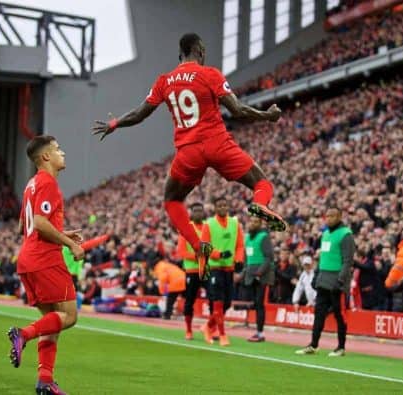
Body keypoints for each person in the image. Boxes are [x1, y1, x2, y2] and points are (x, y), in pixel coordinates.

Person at [92, 33, 286, 280]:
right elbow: (237, 111)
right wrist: (266, 116)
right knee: (261, 182)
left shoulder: (165, 81)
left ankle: (199, 247)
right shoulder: (210, 74)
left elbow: (141, 113)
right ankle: (260, 203)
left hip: (188, 151)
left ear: (179, 55)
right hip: (218, 143)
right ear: (201, 51)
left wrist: (114, 123)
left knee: (172, 200)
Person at [7, 135, 85, 395]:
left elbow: (23, 226)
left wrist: (62, 232)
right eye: (58, 149)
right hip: (45, 259)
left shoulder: (31, 184)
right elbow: (39, 223)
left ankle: (45, 381)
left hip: (28, 258)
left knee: (53, 322)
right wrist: (69, 244)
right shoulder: (48, 182)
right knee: (69, 316)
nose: (63, 153)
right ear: (46, 157)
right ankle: (23, 334)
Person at [296, 206, 355, 357]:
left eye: (332, 216)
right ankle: (313, 345)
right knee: (319, 314)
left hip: (337, 281)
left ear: (340, 216)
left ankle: (341, 347)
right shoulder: (325, 234)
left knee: (339, 315)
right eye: (327, 216)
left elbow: (348, 262)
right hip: (324, 279)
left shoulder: (346, 234)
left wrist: (341, 281)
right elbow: (323, 258)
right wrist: (316, 276)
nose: (329, 219)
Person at [175, 202, 224, 340]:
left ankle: (210, 328)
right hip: (192, 270)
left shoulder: (208, 228)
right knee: (189, 300)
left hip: (207, 269)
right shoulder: (186, 229)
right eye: (195, 211)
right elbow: (182, 252)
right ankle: (188, 330)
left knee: (212, 299)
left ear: (203, 213)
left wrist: (216, 255)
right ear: (191, 213)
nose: (198, 213)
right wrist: (198, 256)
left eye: (200, 211)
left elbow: (212, 247)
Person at [201, 196, 245, 347]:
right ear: (214, 208)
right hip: (215, 268)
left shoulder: (235, 223)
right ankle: (222, 334)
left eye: (224, 205)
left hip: (229, 269)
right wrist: (219, 254)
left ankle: (207, 327)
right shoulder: (209, 224)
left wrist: (239, 260)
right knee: (218, 302)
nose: (222, 208)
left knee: (227, 303)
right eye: (219, 205)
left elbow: (239, 245)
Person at [238, 217, 274, 342]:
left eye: (256, 222)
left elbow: (269, 257)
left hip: (261, 275)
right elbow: (246, 259)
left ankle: (260, 333)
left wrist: (260, 272)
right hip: (250, 274)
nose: (253, 223)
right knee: (254, 302)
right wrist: (242, 274)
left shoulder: (264, 237)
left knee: (259, 303)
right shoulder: (247, 238)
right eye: (251, 221)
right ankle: (258, 330)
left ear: (260, 224)